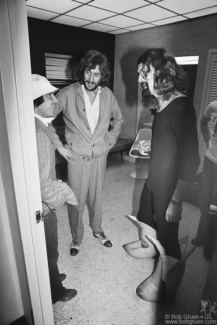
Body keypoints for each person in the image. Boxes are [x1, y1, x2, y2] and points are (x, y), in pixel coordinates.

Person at [123, 48, 199, 302]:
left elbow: (191, 160)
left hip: (169, 187)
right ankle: (148, 247)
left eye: (145, 73)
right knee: (145, 216)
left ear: (164, 73)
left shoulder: (183, 107)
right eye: (140, 74)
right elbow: (170, 142)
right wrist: (152, 147)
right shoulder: (162, 103)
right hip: (154, 177)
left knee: (168, 236)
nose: (141, 79)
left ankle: (166, 281)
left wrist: (176, 202)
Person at [49, 50, 124, 256]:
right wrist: (59, 146)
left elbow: (118, 120)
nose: (91, 78)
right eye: (89, 72)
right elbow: (45, 119)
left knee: (96, 198)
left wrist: (108, 142)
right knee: (76, 200)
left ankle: (97, 230)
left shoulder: (107, 95)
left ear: (103, 75)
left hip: (100, 156)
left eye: (97, 74)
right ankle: (76, 237)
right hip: (77, 158)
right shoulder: (67, 93)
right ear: (83, 71)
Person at [32, 74, 78, 304]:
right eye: (49, 96)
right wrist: (56, 201)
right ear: (35, 103)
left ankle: (49, 277)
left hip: (40, 203)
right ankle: (56, 292)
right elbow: (42, 184)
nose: (54, 100)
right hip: (44, 207)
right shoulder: (39, 134)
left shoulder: (37, 123)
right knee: (50, 251)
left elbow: (51, 131)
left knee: (46, 250)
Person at [192, 100, 217, 246]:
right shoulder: (213, 106)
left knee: (215, 204)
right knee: (204, 200)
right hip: (209, 161)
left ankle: (211, 244)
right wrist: (208, 140)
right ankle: (202, 236)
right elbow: (203, 123)